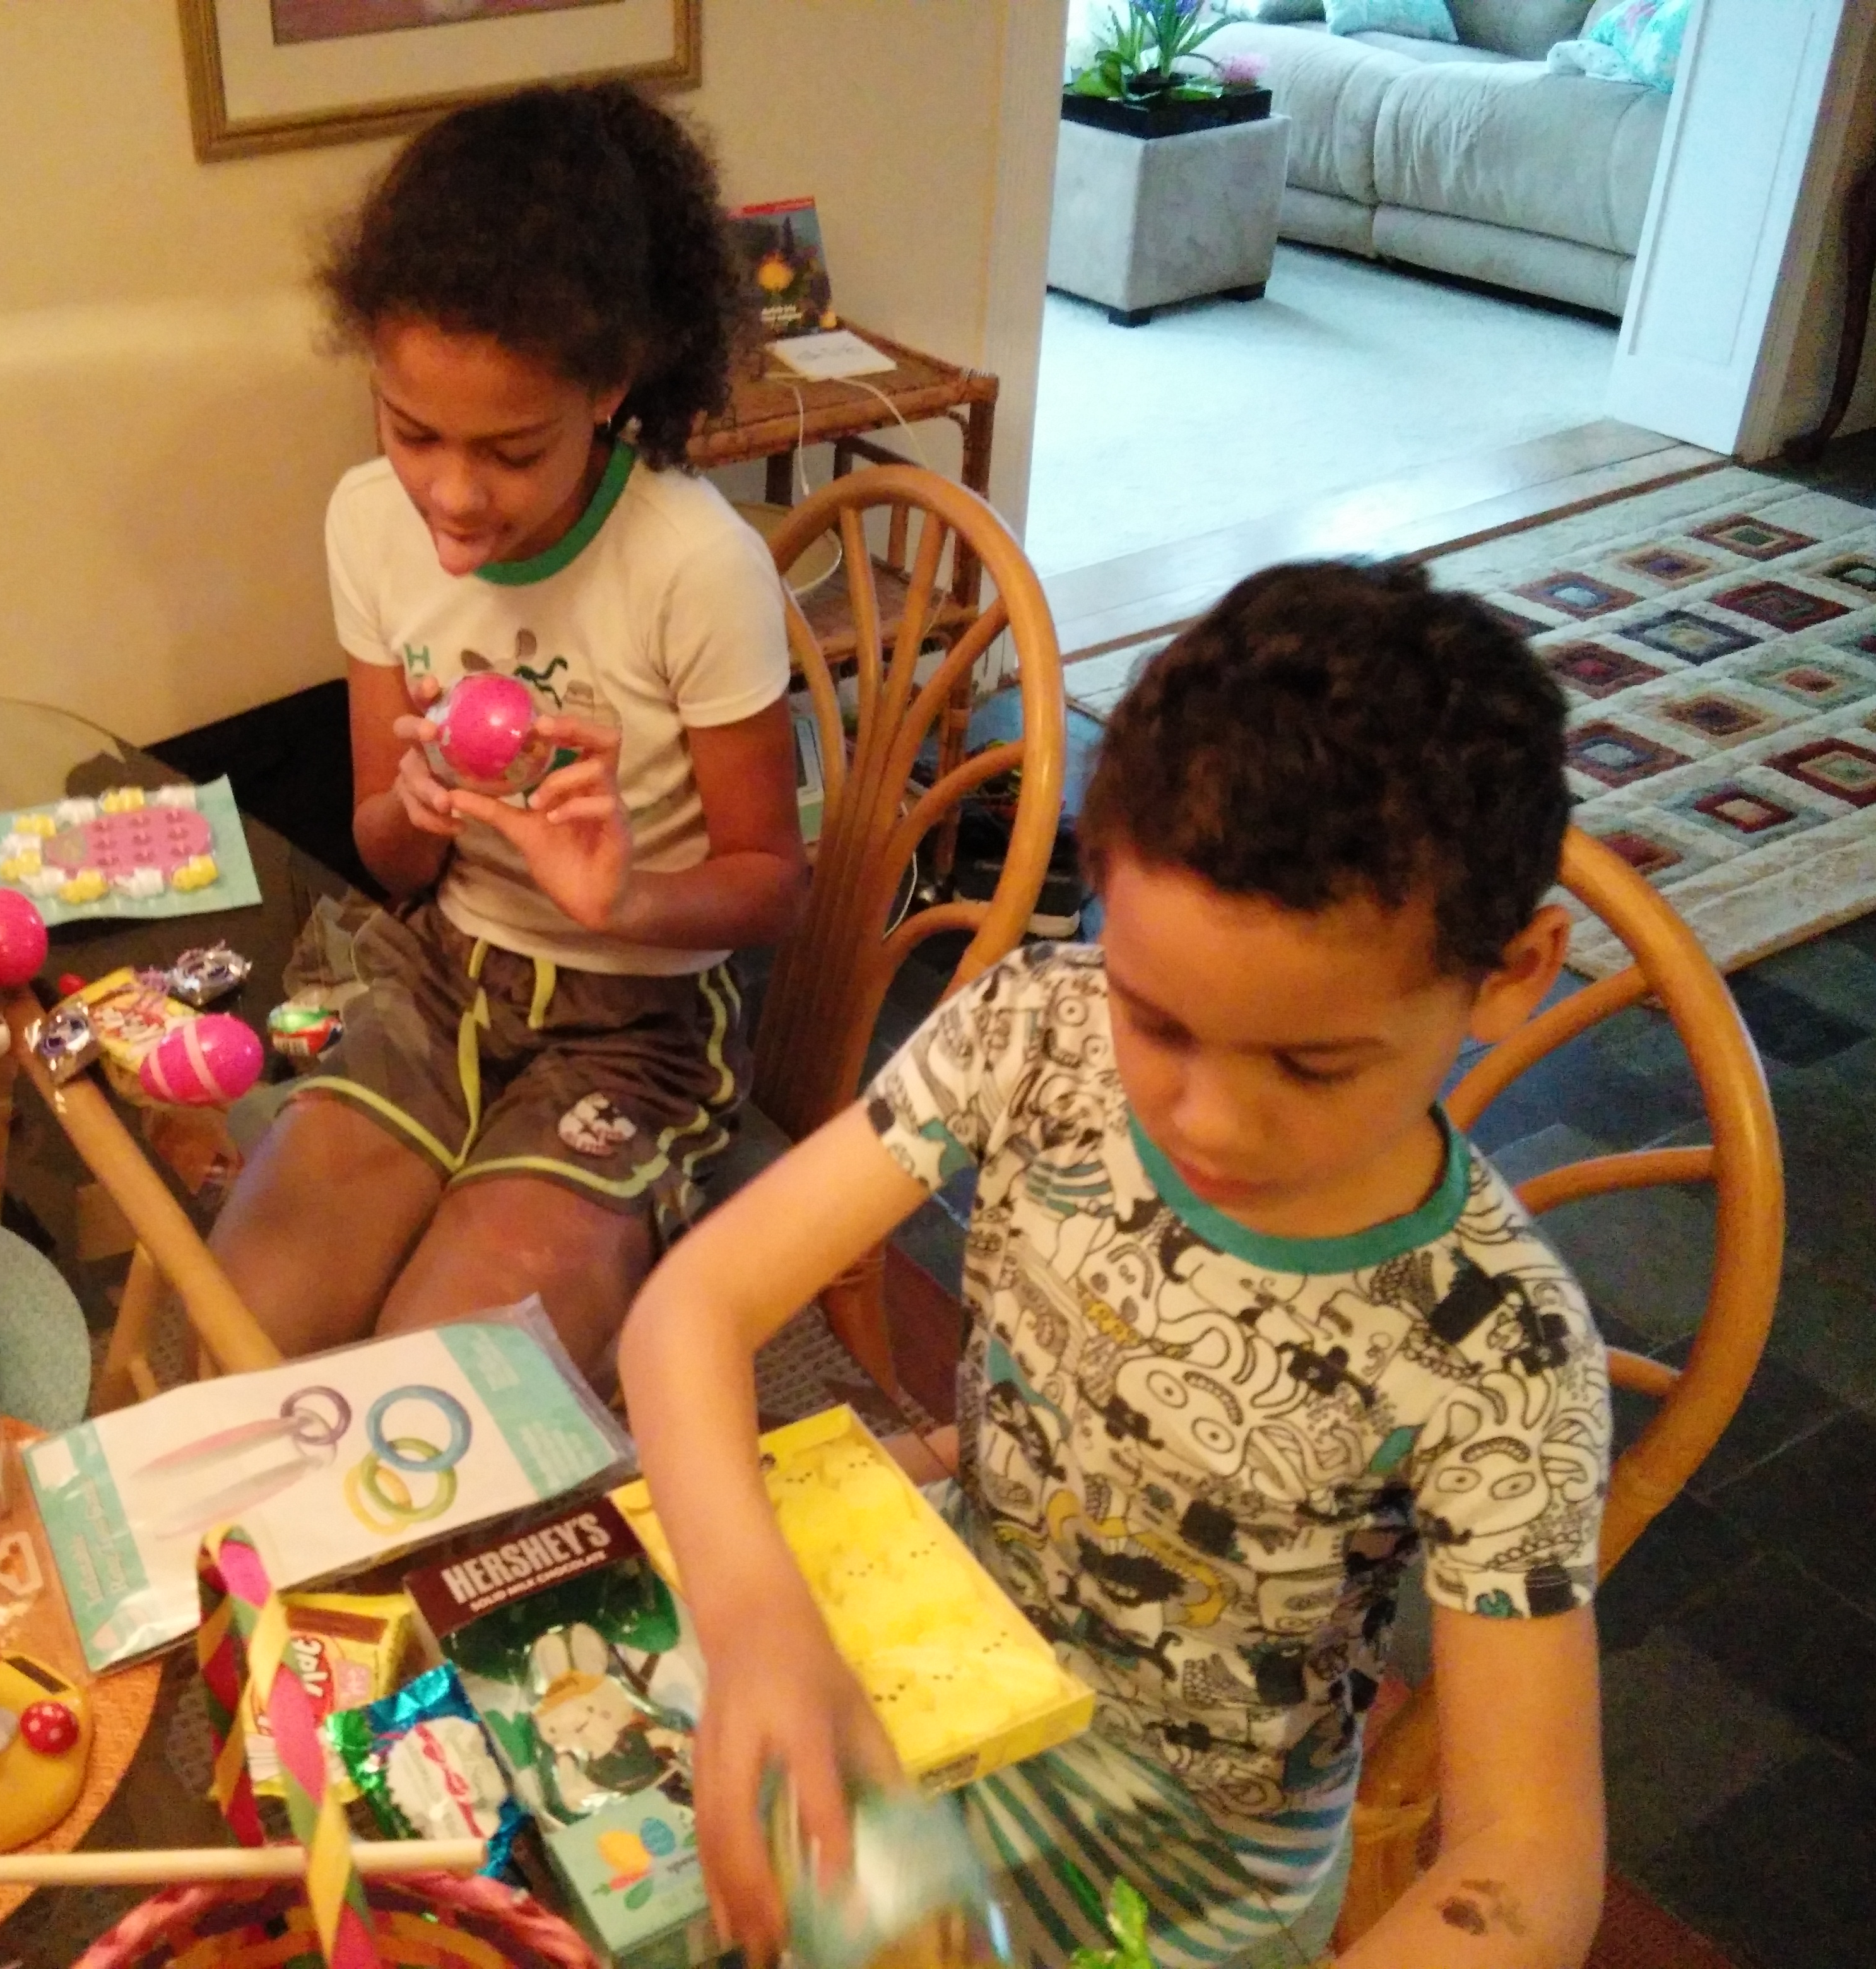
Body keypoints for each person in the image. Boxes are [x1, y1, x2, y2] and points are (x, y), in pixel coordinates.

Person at [622, 561, 1610, 1969]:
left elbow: (1530, 1858)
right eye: (1157, 1019)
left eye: (1310, 1066)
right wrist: (759, 1621)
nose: (1207, 1119)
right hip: (952, 1639)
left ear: (1510, 974)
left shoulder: (1503, 1350)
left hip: (1186, 1861)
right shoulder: (1039, 1027)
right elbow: (693, 1307)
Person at [209, 83, 805, 1379]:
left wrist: (623, 898)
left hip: (637, 1024)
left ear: (609, 386)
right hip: (439, 975)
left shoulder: (692, 565)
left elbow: (772, 883)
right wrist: (413, 806)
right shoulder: (367, 523)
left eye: (513, 451)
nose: (453, 494)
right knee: (241, 1332)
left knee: (451, 1389)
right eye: (411, 430)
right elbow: (387, 854)